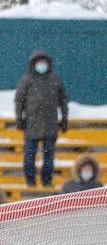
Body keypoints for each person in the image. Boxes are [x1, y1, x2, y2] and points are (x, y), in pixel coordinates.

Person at [15, 49, 68, 187]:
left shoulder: (55, 80)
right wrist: (19, 118)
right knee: (29, 156)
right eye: (39, 61)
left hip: (50, 125)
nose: (41, 64)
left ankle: (47, 181)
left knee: (49, 157)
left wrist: (64, 119)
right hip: (31, 125)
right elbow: (19, 100)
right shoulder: (26, 80)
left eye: (44, 61)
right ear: (33, 63)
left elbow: (63, 100)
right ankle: (30, 181)